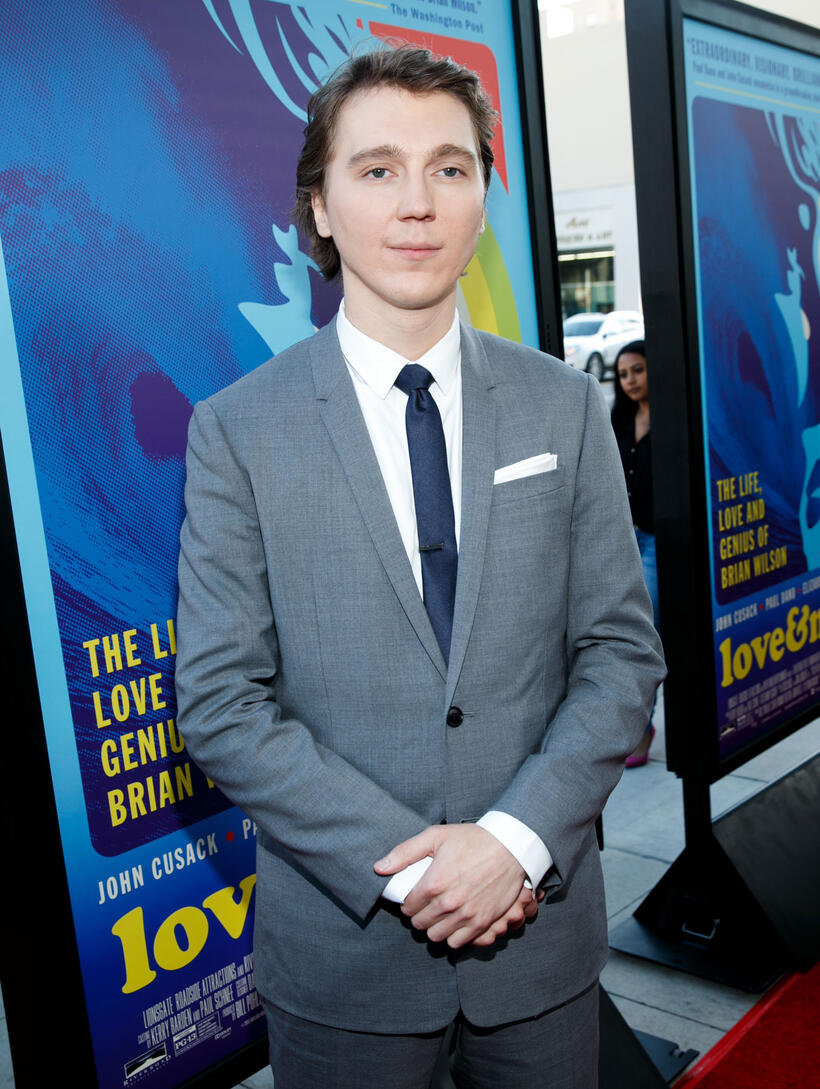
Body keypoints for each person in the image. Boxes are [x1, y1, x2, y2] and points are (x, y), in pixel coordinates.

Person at [175, 46, 664, 1089]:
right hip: (343, 969)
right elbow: (221, 703)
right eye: (376, 168)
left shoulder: (562, 406)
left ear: (482, 198)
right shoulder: (237, 432)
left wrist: (515, 841)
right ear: (316, 206)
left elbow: (620, 653)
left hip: (540, 942)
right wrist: (425, 872)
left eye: (449, 168)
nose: (416, 203)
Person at [611, 339, 658, 767]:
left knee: (646, 636)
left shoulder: (673, 414)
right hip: (627, 537)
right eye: (623, 374)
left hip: (660, 540)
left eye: (638, 370)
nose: (630, 381)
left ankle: (642, 730)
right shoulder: (618, 418)